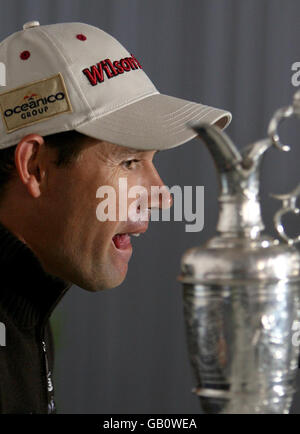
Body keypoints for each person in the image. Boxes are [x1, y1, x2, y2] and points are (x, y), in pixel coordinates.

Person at [0, 20, 232, 414]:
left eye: (151, 161)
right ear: (36, 167)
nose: (162, 196)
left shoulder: (25, 306)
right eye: (129, 161)